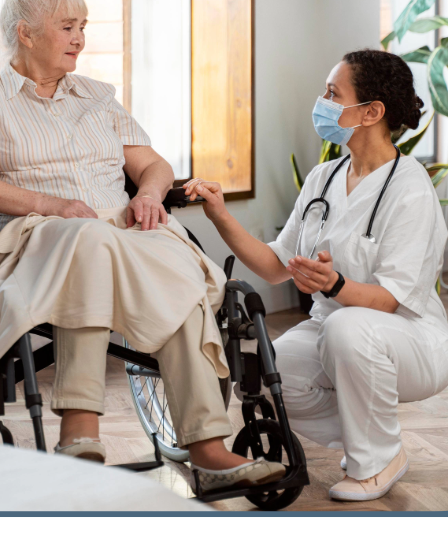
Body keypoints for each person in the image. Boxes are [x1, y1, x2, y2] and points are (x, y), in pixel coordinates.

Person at [0, 0, 283, 490]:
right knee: (89, 238)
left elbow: (152, 165)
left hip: (119, 231)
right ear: (26, 34)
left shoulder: (99, 98)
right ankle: (80, 425)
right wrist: (48, 205)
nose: (80, 38)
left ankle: (208, 448)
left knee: (177, 265)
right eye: (67, 27)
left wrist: (147, 193)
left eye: (83, 27)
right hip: (38, 237)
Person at [185, 49, 448, 501]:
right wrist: (220, 216)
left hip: (410, 338)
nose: (321, 102)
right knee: (270, 374)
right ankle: (373, 440)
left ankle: (376, 460)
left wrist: (334, 285)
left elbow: (390, 300)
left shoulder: (410, 187)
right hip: (334, 328)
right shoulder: (323, 177)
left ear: (371, 112)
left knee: (347, 327)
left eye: (332, 93)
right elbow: (274, 264)